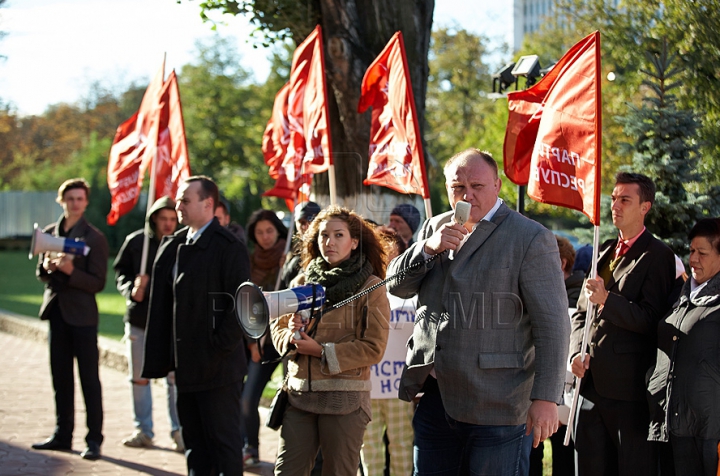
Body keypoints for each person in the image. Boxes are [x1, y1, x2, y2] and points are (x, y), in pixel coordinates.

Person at [387, 148, 570, 475]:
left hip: (499, 403)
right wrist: (428, 247)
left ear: (497, 185)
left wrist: (546, 399)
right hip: (436, 396)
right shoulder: (435, 226)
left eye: (477, 186)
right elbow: (395, 286)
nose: (467, 195)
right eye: (458, 187)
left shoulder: (530, 238)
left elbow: (553, 327)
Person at [570, 172, 677, 476]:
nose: (615, 205)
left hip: (628, 394)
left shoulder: (659, 256)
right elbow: (581, 313)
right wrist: (575, 352)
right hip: (588, 388)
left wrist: (608, 300)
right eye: (614, 198)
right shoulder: (603, 249)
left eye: (625, 199)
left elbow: (651, 319)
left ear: (645, 206)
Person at [142, 175, 251, 475]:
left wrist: (216, 348)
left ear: (208, 204)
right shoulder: (176, 245)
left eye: (185, 200)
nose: (177, 205)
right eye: (178, 199)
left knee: (224, 445)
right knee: (195, 447)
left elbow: (241, 305)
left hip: (219, 370)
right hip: (187, 368)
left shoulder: (228, 246)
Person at [270, 205, 390, 476]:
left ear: (354, 241)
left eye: (338, 235)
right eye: (324, 235)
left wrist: (321, 351)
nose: (329, 242)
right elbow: (276, 324)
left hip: (344, 401)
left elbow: (374, 347)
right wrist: (290, 335)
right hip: (299, 396)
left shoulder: (371, 286)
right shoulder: (302, 280)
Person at [32, 178, 109, 461]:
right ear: (61, 201)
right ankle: (62, 435)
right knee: (60, 379)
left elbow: (97, 282)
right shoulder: (50, 233)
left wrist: (69, 270)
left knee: (89, 380)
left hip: (83, 318)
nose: (75, 203)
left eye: (80, 199)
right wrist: (48, 266)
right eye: (70, 199)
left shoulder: (94, 238)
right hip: (58, 315)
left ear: (86, 203)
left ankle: (94, 440)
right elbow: (41, 274)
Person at [647, 218, 720, 476]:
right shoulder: (681, 293)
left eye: (702, 253)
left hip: (707, 431)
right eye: (691, 251)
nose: (694, 259)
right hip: (668, 421)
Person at [113, 196, 183, 451]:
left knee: (175, 379)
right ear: (154, 218)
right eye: (163, 218)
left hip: (172, 323)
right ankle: (143, 429)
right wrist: (132, 288)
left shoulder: (182, 243)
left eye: (172, 219)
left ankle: (179, 432)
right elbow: (120, 272)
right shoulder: (137, 243)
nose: (168, 224)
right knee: (139, 378)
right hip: (140, 321)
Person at [361, 232, 415, 476]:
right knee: (369, 451)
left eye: (393, 256)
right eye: (382, 256)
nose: (387, 262)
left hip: (398, 390)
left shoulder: (413, 295)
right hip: (367, 388)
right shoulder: (361, 292)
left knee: (402, 448)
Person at [529, 235, 583, 476]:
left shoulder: (582, 297)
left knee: (564, 462)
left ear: (561, 264)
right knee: (532, 459)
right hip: (536, 394)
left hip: (566, 398)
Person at [241, 208, 288, 467]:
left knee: (291, 404)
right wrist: (251, 341)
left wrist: (288, 266)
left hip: (289, 340)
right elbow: (246, 305)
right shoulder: (250, 261)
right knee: (248, 398)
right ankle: (250, 447)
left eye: (269, 230)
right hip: (262, 343)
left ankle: (292, 455)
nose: (265, 237)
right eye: (259, 232)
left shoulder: (290, 255)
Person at [279, 201, 321, 289]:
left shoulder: (324, 249)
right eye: (302, 222)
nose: (306, 226)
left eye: (311, 220)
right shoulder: (293, 250)